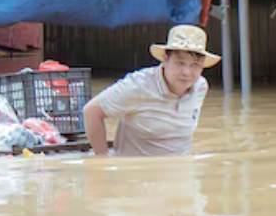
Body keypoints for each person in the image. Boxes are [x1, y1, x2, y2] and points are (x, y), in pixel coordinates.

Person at [83, 25, 220, 157]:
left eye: (195, 65)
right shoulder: (138, 85)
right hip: (139, 175)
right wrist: (102, 160)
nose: (186, 72)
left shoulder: (200, 86)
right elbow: (91, 111)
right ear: (165, 59)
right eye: (180, 63)